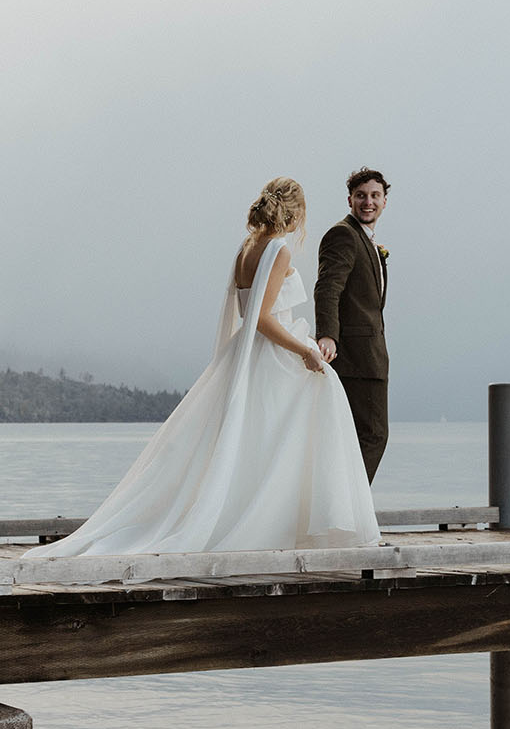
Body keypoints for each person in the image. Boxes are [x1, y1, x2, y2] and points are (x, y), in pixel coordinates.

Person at [24, 178, 380, 557]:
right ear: (296, 211)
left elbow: (246, 314)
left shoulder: (248, 246)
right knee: (315, 402)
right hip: (273, 351)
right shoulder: (278, 251)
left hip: (245, 351)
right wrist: (304, 351)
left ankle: (281, 515)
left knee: (261, 437)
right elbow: (261, 317)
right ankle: (292, 519)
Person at [313, 167, 390, 481]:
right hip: (357, 358)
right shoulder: (343, 234)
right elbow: (328, 287)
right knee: (372, 435)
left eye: (374, 196)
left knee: (357, 438)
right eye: (361, 196)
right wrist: (328, 335)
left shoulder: (367, 241)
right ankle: (349, 513)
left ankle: (342, 512)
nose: (367, 202)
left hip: (369, 356)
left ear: (385, 201)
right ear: (349, 200)